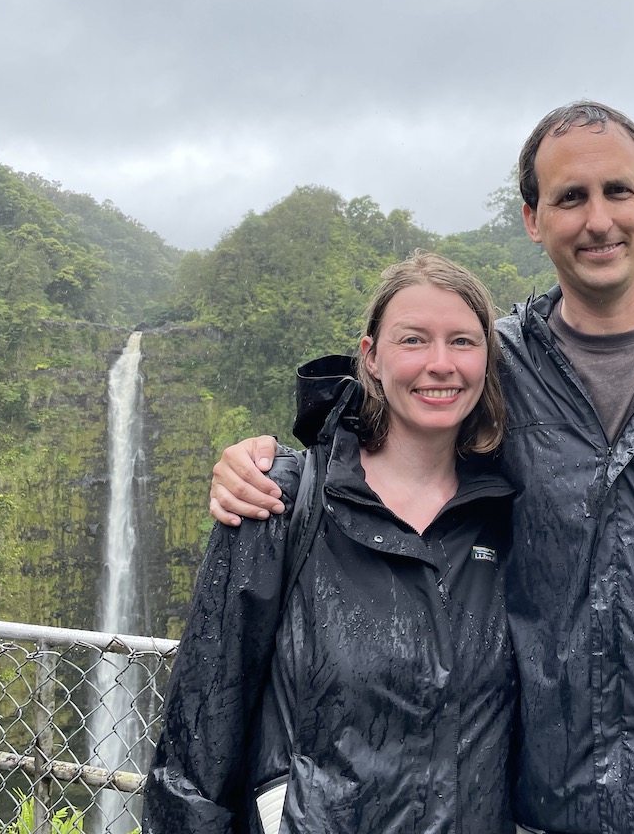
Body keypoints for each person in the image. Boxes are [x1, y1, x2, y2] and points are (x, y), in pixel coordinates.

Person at [210, 102, 634, 834]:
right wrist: (269, 465)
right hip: (548, 809)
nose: (598, 220)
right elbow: (391, 425)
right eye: (570, 197)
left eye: (618, 191)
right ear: (532, 218)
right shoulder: (500, 366)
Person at [145, 251, 517, 834]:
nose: (440, 364)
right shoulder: (279, 500)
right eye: (413, 340)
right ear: (370, 357)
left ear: (488, 360)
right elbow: (200, 736)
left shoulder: (511, 515)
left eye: (463, 342)